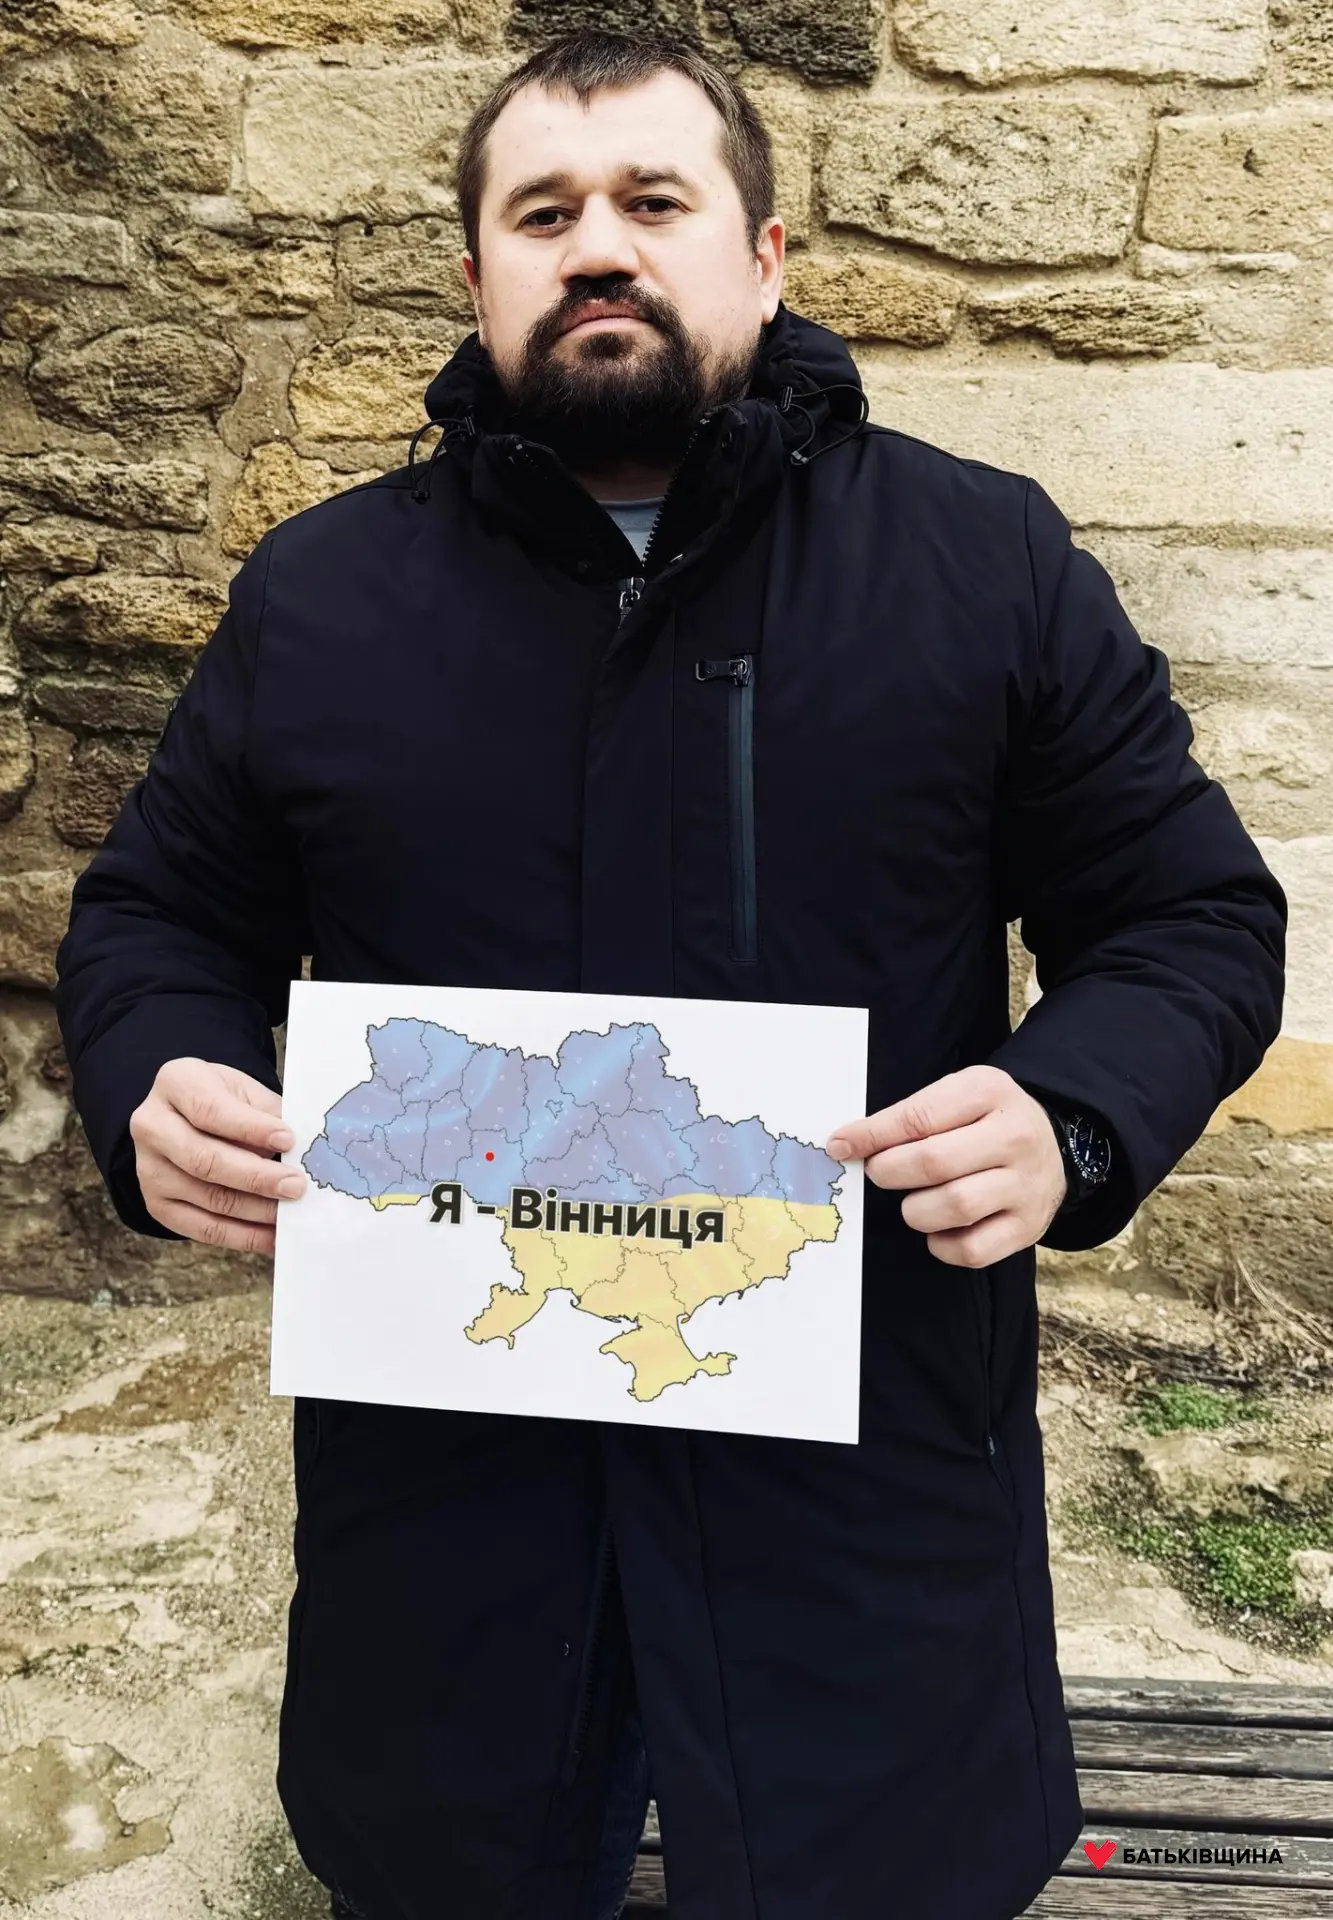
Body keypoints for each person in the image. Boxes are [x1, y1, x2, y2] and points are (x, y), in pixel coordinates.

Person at [55, 29, 1286, 1920]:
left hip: (863, 1455)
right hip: (453, 1475)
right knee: (453, 1866)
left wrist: (1070, 1115)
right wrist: (159, 1073)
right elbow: (157, 918)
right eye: (543, 213)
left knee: (872, 1872)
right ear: (479, 276)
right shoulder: (318, 600)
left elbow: (1191, 916)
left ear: (764, 256)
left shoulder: (984, 564)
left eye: (652, 200)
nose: (599, 248)